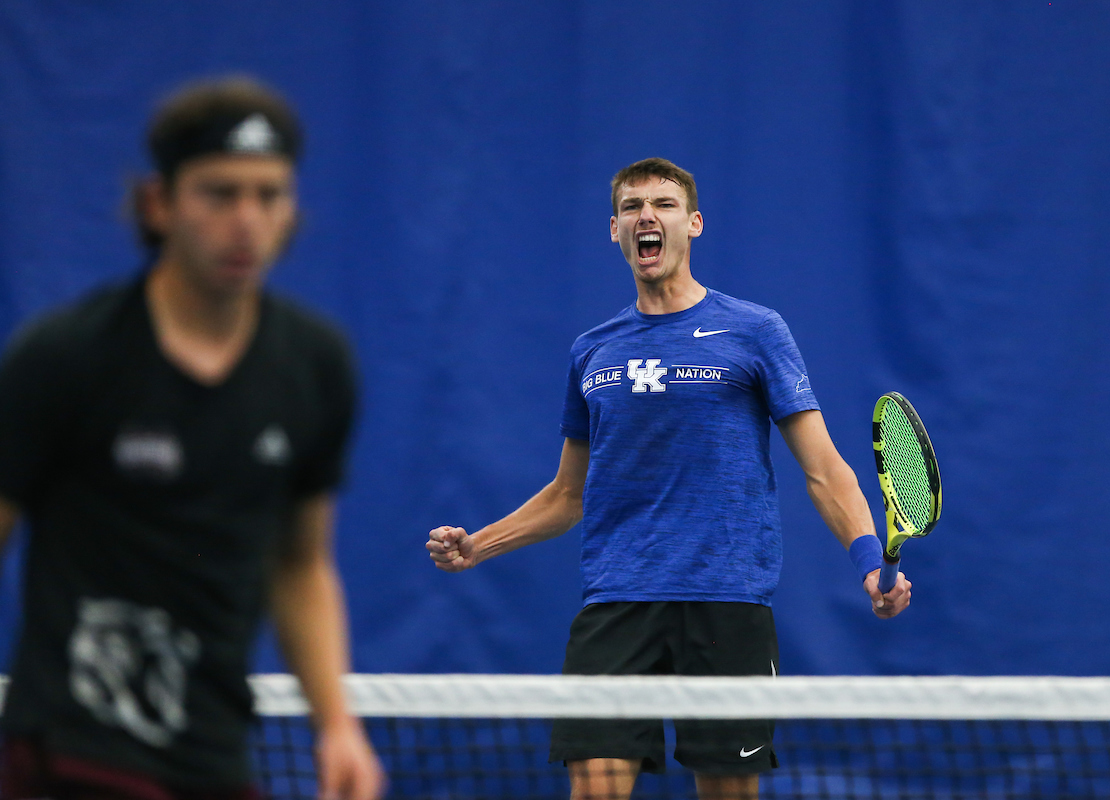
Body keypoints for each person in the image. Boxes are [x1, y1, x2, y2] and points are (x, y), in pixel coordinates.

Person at [427, 157, 911, 800]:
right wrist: (478, 545)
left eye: (662, 204)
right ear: (614, 229)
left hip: (727, 602)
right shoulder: (592, 351)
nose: (646, 217)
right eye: (631, 207)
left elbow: (824, 472)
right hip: (616, 604)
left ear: (694, 224)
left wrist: (868, 561)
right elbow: (569, 494)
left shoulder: (756, 331)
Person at [0, 77, 384, 800]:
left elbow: (300, 564)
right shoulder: (64, 356)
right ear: (159, 203)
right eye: (219, 192)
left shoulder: (316, 365)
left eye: (269, 195)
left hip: (212, 754)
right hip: (70, 752)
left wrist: (337, 725)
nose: (246, 220)